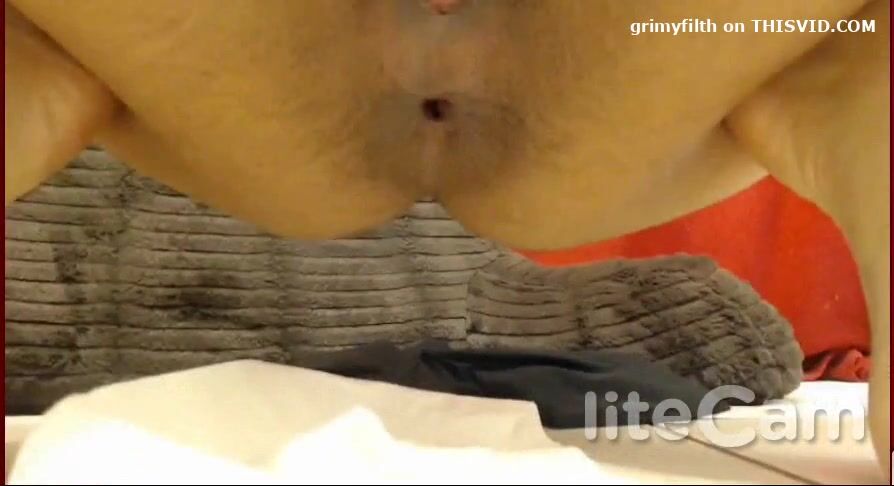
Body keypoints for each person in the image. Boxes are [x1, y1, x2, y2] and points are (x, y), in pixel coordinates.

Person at [5, 0, 889, 475]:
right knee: (858, 59)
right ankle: (847, 92)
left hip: (201, 71)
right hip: (694, 44)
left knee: (34, 57)